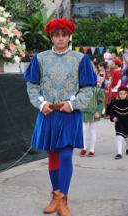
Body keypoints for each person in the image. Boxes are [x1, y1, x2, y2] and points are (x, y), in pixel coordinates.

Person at [24, 18, 97, 216]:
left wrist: (73, 104)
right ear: (51, 36)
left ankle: (63, 200)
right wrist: (41, 103)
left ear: (69, 36)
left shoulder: (81, 59)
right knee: (52, 156)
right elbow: (32, 85)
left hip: (69, 113)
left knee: (65, 156)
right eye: (57, 35)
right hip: (47, 113)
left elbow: (88, 87)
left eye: (64, 35)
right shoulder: (39, 58)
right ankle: (55, 195)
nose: (61, 38)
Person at [80, 87, 105, 157]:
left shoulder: (97, 90)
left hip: (93, 113)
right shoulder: (81, 89)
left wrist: (99, 112)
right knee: (82, 131)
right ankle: (84, 147)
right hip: (83, 112)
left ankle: (92, 149)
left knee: (92, 131)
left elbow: (102, 101)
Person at [109, 85, 128, 159]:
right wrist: (113, 117)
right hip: (119, 121)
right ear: (118, 94)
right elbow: (110, 112)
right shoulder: (115, 103)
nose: (122, 95)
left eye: (124, 94)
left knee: (127, 138)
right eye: (121, 94)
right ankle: (119, 153)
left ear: (127, 94)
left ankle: (127, 147)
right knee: (119, 137)